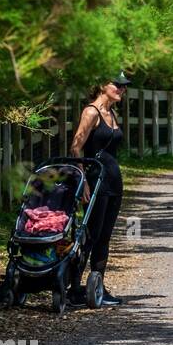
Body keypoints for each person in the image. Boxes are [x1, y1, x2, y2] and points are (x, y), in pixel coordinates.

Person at [68, 71, 130, 307]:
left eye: (124, 86)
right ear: (102, 85)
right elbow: (76, 147)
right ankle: (74, 288)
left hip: (114, 182)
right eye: (117, 85)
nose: (121, 89)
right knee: (90, 234)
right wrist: (82, 179)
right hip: (95, 183)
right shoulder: (91, 112)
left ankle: (98, 287)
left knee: (104, 236)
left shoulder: (111, 113)